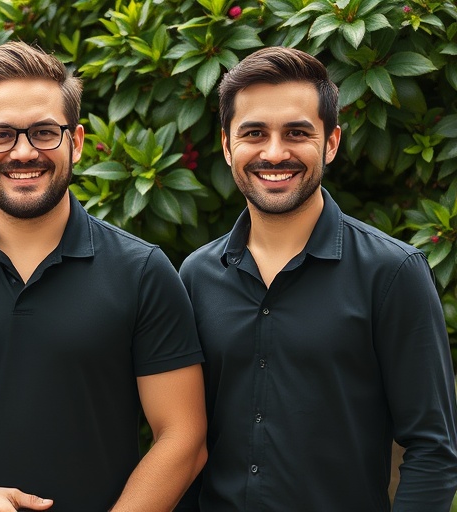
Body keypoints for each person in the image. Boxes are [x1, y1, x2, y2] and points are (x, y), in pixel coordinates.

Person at [0, 40, 207, 512]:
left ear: (78, 141)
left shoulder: (143, 272)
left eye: (45, 132)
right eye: (1, 134)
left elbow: (184, 436)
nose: (24, 152)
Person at [177, 46, 457, 511]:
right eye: (254, 133)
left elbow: (434, 448)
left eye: (297, 132)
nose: (274, 152)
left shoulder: (393, 273)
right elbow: (186, 440)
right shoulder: (196, 276)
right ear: (227, 146)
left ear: (330, 142)